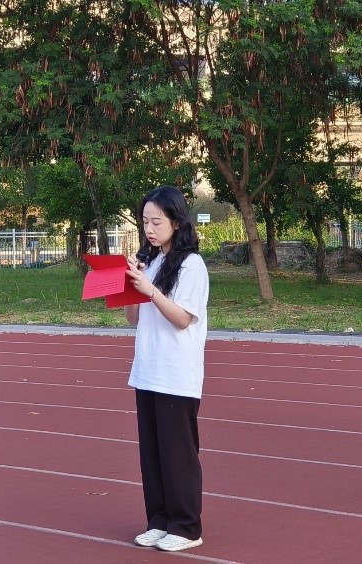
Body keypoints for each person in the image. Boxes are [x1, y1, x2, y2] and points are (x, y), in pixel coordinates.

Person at [124, 185, 209, 553]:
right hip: (148, 370)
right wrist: (129, 285)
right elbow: (132, 318)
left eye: (156, 221)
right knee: (153, 455)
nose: (149, 229)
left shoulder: (192, 265)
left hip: (176, 374)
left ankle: (187, 527)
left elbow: (182, 318)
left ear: (176, 221)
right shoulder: (152, 262)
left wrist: (150, 290)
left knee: (178, 455)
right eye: (145, 221)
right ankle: (159, 521)